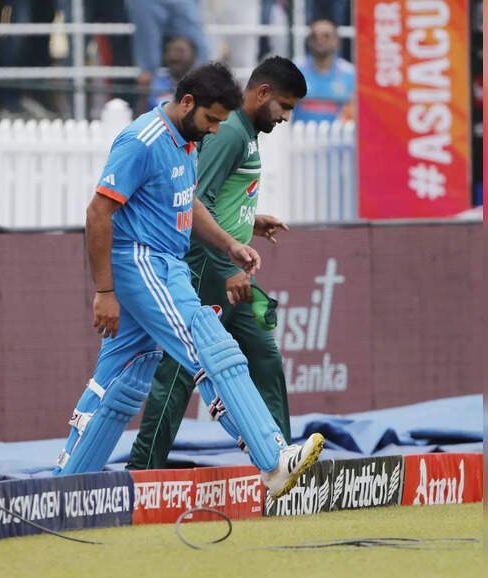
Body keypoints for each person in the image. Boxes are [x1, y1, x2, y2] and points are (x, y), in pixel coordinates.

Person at [53, 62, 323, 501]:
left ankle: (62, 489)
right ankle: (273, 460)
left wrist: (230, 245)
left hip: (168, 264)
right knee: (212, 347)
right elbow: (98, 212)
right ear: (187, 102)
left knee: (123, 381)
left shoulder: (187, 139)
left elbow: (188, 203)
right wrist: (103, 292)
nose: (216, 130)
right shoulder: (143, 140)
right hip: (144, 262)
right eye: (212, 119)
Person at [128, 56, 307, 470]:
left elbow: (220, 199)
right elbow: (195, 201)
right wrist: (227, 268)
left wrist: (251, 221)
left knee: (265, 354)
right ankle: (142, 470)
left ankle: (282, 462)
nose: (285, 117)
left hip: (230, 270)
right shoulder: (230, 133)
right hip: (207, 270)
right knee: (179, 372)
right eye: (284, 106)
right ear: (263, 93)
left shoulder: (246, 133)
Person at [292, 18, 355, 123]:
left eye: (326, 36)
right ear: (308, 41)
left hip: (340, 132)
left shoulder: (351, 74)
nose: (320, 40)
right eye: (314, 36)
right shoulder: (292, 71)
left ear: (337, 41)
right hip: (299, 132)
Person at [146, 36, 198, 112]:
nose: (175, 57)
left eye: (181, 51)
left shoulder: (201, 85)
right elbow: (142, 114)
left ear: (194, 57)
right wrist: (143, 94)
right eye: (171, 51)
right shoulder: (155, 82)